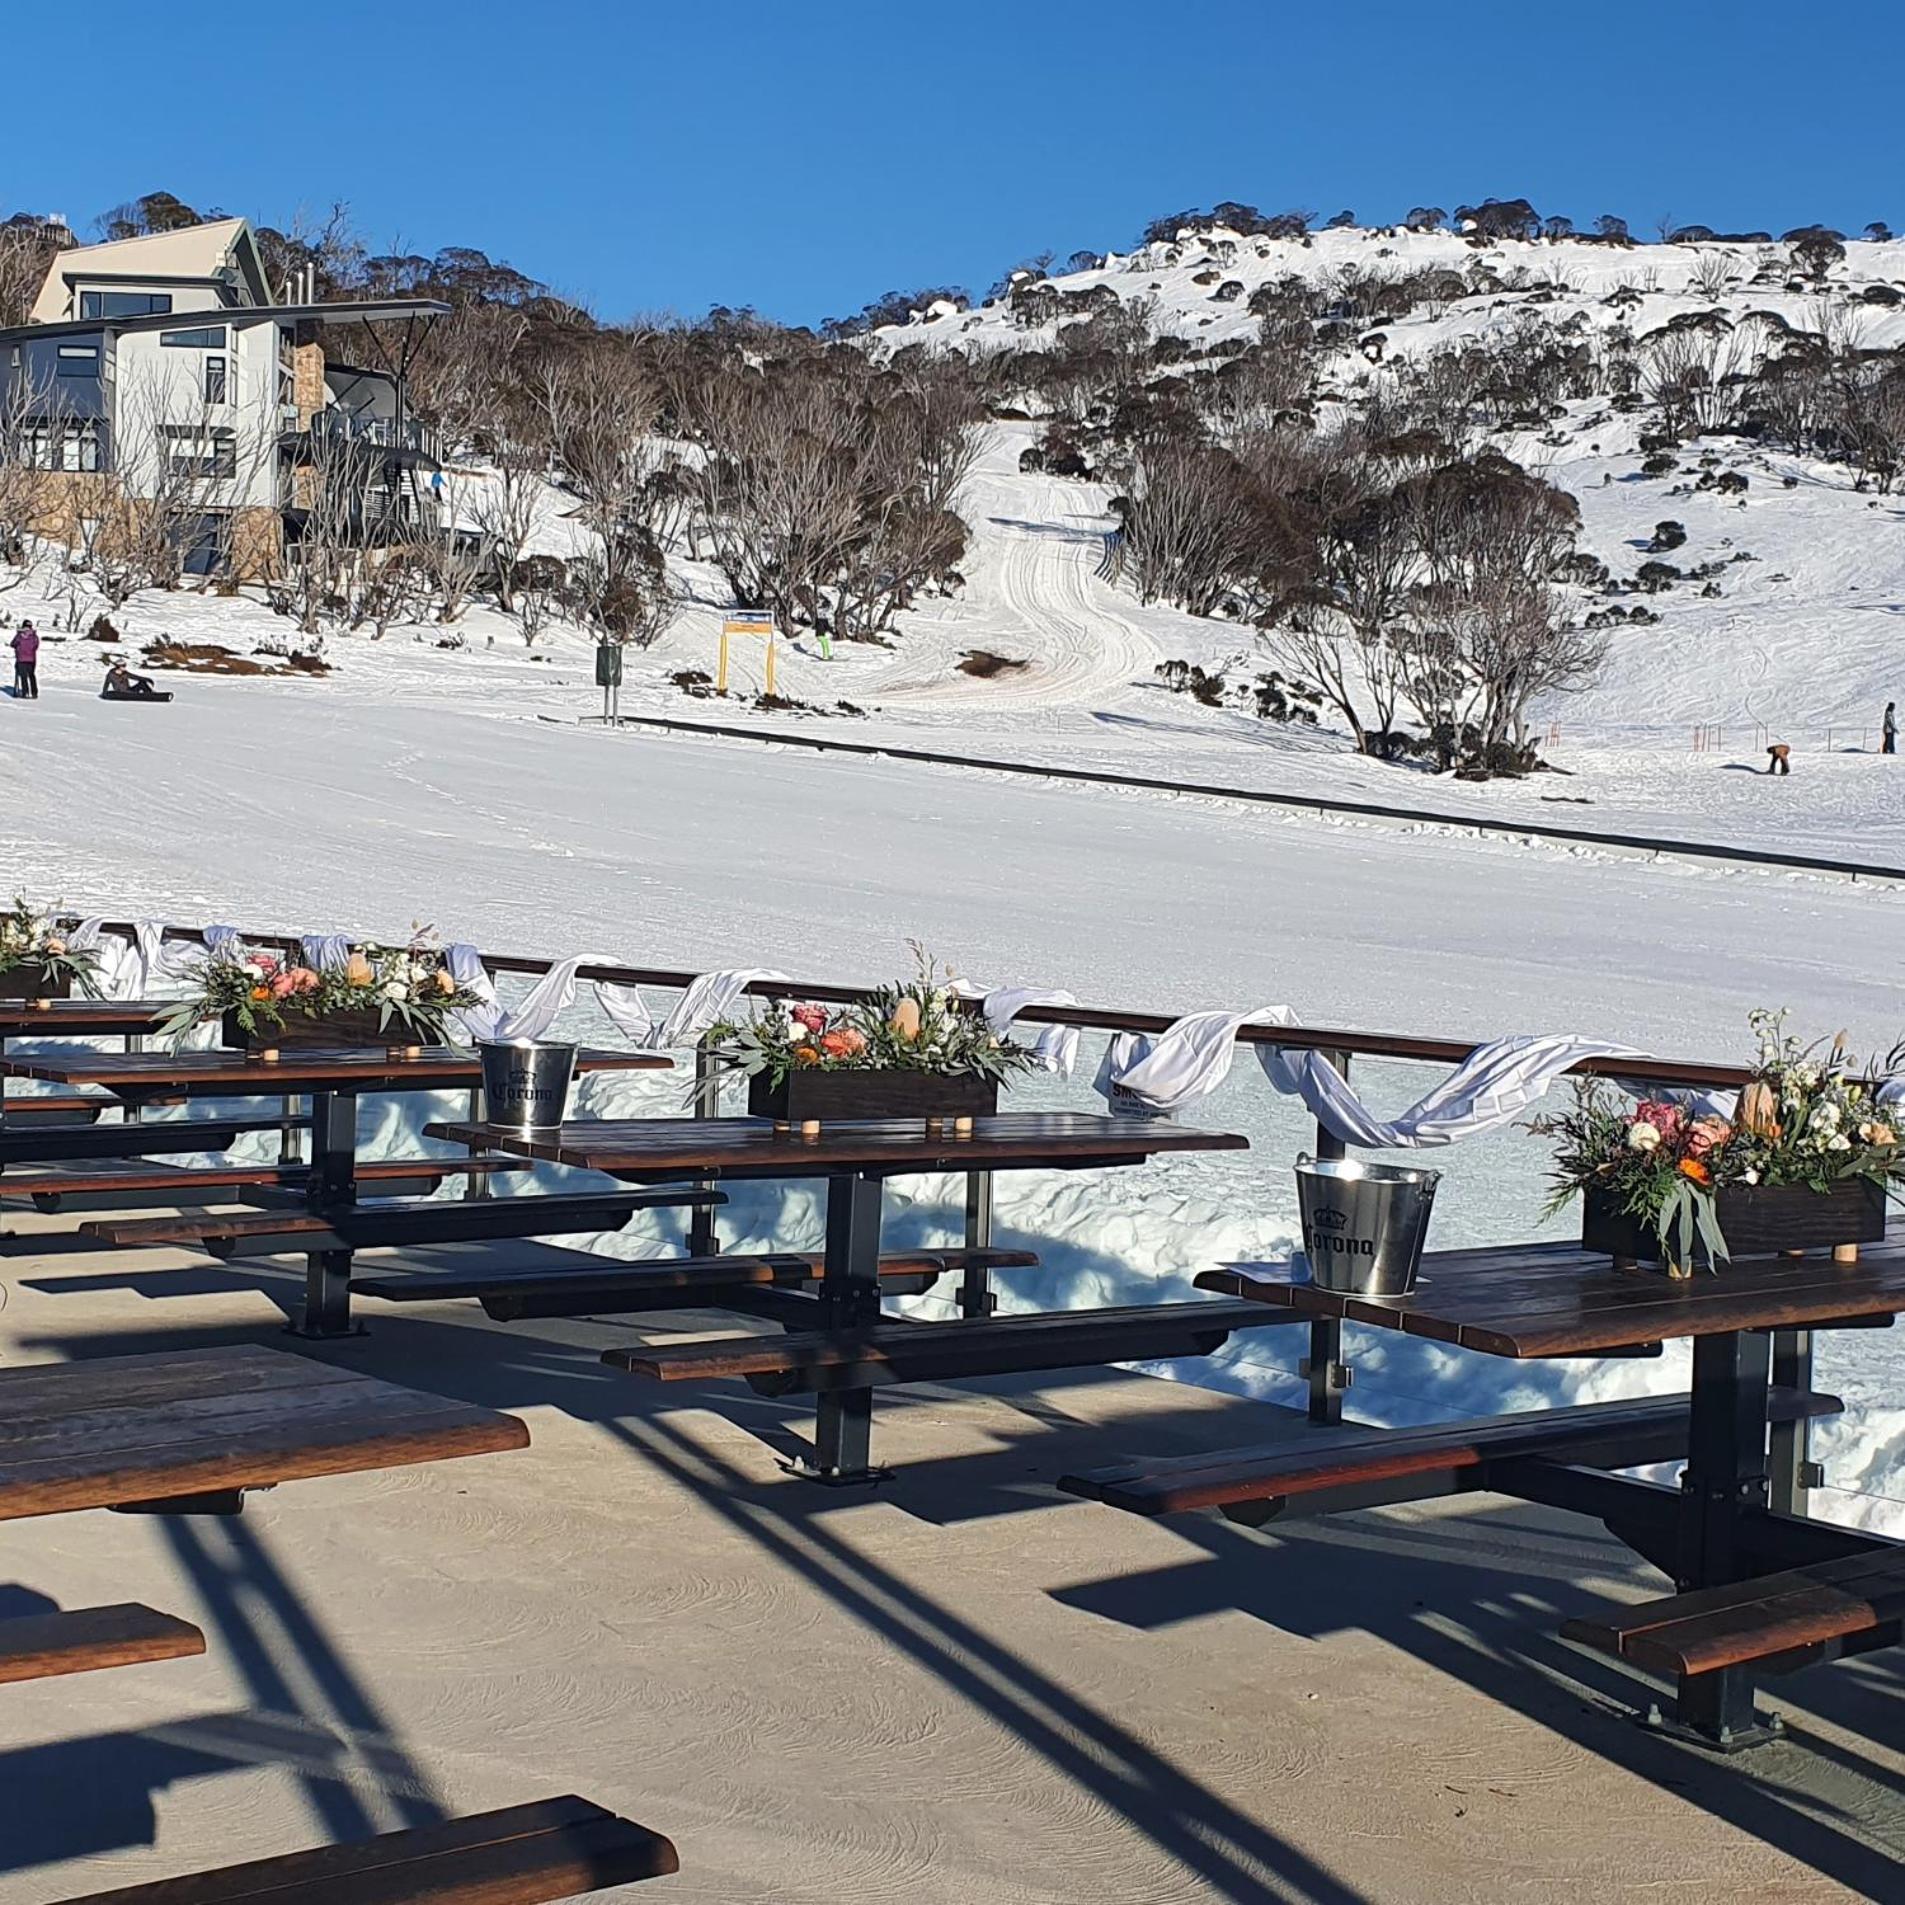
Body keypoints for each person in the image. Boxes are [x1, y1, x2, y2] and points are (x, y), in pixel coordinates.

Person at [9, 619, 38, 699]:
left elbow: (13, 644)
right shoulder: (34, 636)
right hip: (31, 659)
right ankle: (34, 692)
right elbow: (36, 646)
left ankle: (25, 692)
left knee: (23, 676)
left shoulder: (19, 635)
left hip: (21, 659)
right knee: (31, 675)